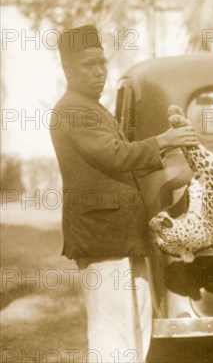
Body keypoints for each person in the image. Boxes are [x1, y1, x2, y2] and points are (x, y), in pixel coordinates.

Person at [50, 25, 199, 361]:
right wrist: (165, 142)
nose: (100, 71)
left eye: (102, 63)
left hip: (124, 236)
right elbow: (115, 155)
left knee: (137, 326)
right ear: (68, 69)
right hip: (101, 238)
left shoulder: (94, 108)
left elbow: (125, 160)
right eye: (89, 65)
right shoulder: (72, 110)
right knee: (112, 332)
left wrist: (180, 162)